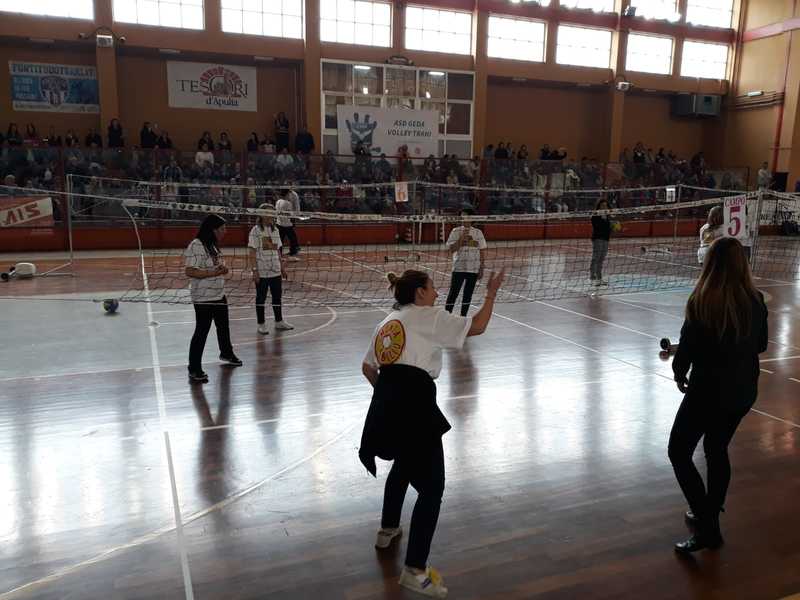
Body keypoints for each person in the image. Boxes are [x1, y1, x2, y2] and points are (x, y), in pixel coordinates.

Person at [359, 268, 505, 598]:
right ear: (419, 293)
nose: (438, 293)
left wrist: (389, 397)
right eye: (433, 287)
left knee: (403, 466)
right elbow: (478, 326)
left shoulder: (387, 322)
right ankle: (414, 570)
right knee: (432, 488)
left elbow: (367, 368)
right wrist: (492, 292)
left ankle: (387, 529)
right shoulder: (428, 316)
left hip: (385, 405)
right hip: (415, 404)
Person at [668, 237, 768, 554]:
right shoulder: (755, 300)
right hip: (743, 392)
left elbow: (687, 350)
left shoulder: (702, 300)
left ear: (711, 264)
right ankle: (709, 511)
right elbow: (761, 345)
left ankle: (707, 524)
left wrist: (679, 373)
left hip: (708, 392)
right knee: (716, 448)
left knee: (679, 451)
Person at [184, 214, 242, 383]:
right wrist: (214, 272)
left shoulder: (212, 245)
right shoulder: (196, 245)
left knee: (223, 326)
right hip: (203, 297)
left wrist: (222, 268)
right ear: (213, 229)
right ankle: (194, 367)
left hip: (218, 294)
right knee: (202, 331)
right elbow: (190, 271)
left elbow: (215, 266)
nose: (225, 231)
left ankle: (226, 353)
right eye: (222, 228)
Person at [248, 205, 294, 335]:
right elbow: (252, 252)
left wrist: (282, 268)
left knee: (277, 297)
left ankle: (279, 321)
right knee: (261, 298)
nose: (272, 216)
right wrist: (255, 270)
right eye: (269, 213)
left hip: (275, 270)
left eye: (273, 213)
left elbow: (277, 250)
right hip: (262, 271)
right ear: (262, 215)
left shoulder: (275, 230)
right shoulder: (255, 231)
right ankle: (261, 324)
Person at [444, 208, 486, 317]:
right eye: (462, 216)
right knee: (453, 294)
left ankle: (463, 317)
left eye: (466, 216)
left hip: (473, 268)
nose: (463, 218)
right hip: (459, 267)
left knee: (468, 295)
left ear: (472, 218)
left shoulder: (478, 233)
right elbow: (451, 249)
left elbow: (482, 250)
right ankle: (446, 316)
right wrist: (461, 239)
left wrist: (481, 268)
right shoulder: (455, 231)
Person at [590, 198, 612, 286]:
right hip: (598, 238)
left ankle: (599, 278)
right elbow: (596, 226)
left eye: (606, 206)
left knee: (601, 259)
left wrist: (613, 226)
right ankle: (593, 277)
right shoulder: (595, 215)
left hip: (606, 239)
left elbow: (608, 228)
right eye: (602, 206)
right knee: (596, 258)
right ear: (599, 206)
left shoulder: (608, 216)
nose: (604, 207)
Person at [275, 189, 300, 260]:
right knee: (293, 239)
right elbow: (290, 214)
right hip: (287, 224)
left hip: (279, 223)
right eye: (288, 194)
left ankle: (279, 254)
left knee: (280, 239)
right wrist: (294, 218)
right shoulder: (288, 203)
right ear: (286, 194)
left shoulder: (278, 201)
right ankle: (293, 252)